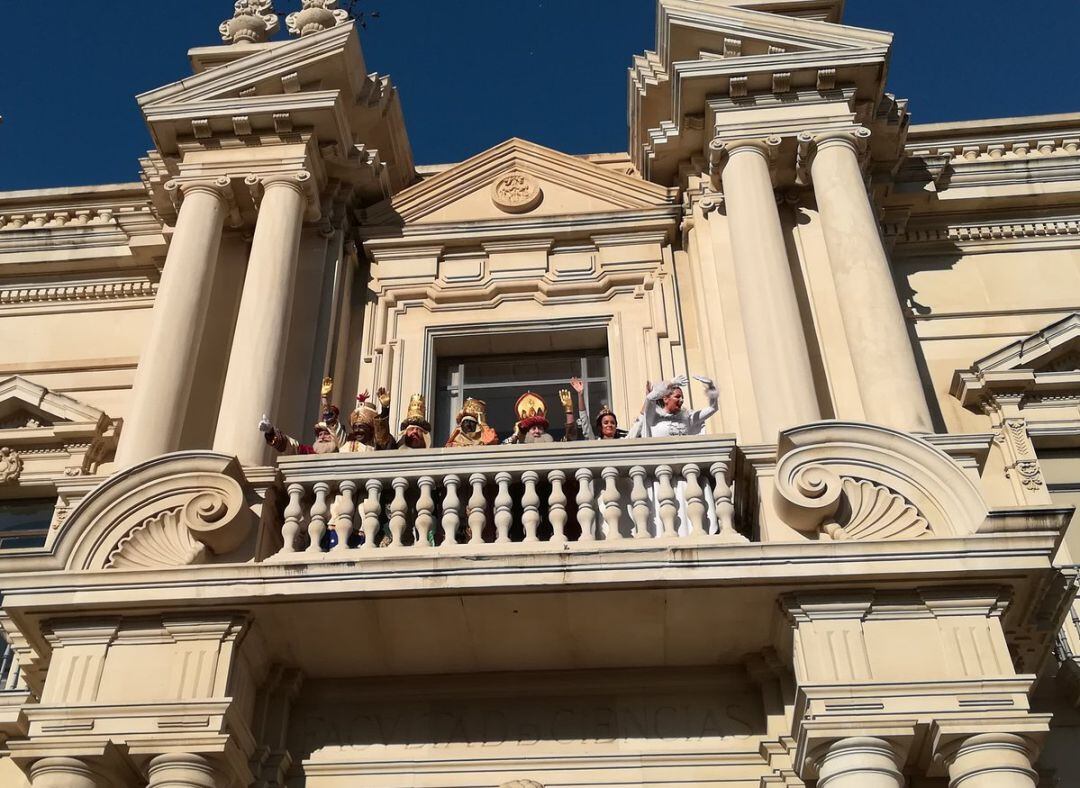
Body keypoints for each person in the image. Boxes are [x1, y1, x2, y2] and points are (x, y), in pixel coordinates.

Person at [258, 376, 341, 455]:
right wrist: (271, 432)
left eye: (326, 434)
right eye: (320, 434)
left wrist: (325, 402)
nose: (322, 437)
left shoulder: (342, 449)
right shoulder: (309, 452)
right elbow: (291, 446)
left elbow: (334, 429)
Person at [634, 374, 718, 437]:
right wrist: (671, 383)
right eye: (677, 397)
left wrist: (711, 387)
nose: (681, 400)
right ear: (666, 399)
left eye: (682, 397)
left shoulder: (687, 418)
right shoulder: (653, 417)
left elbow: (712, 408)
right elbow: (650, 398)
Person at [504, 391, 577, 444]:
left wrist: (569, 410)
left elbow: (570, 440)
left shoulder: (551, 445)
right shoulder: (517, 445)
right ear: (527, 431)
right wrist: (516, 434)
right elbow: (503, 447)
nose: (537, 431)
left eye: (540, 428)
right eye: (533, 428)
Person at [338, 388, 393, 453]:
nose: (357, 430)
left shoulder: (377, 443)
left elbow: (382, 435)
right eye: (355, 427)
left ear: (371, 429)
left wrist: (385, 409)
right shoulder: (347, 444)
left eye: (361, 427)